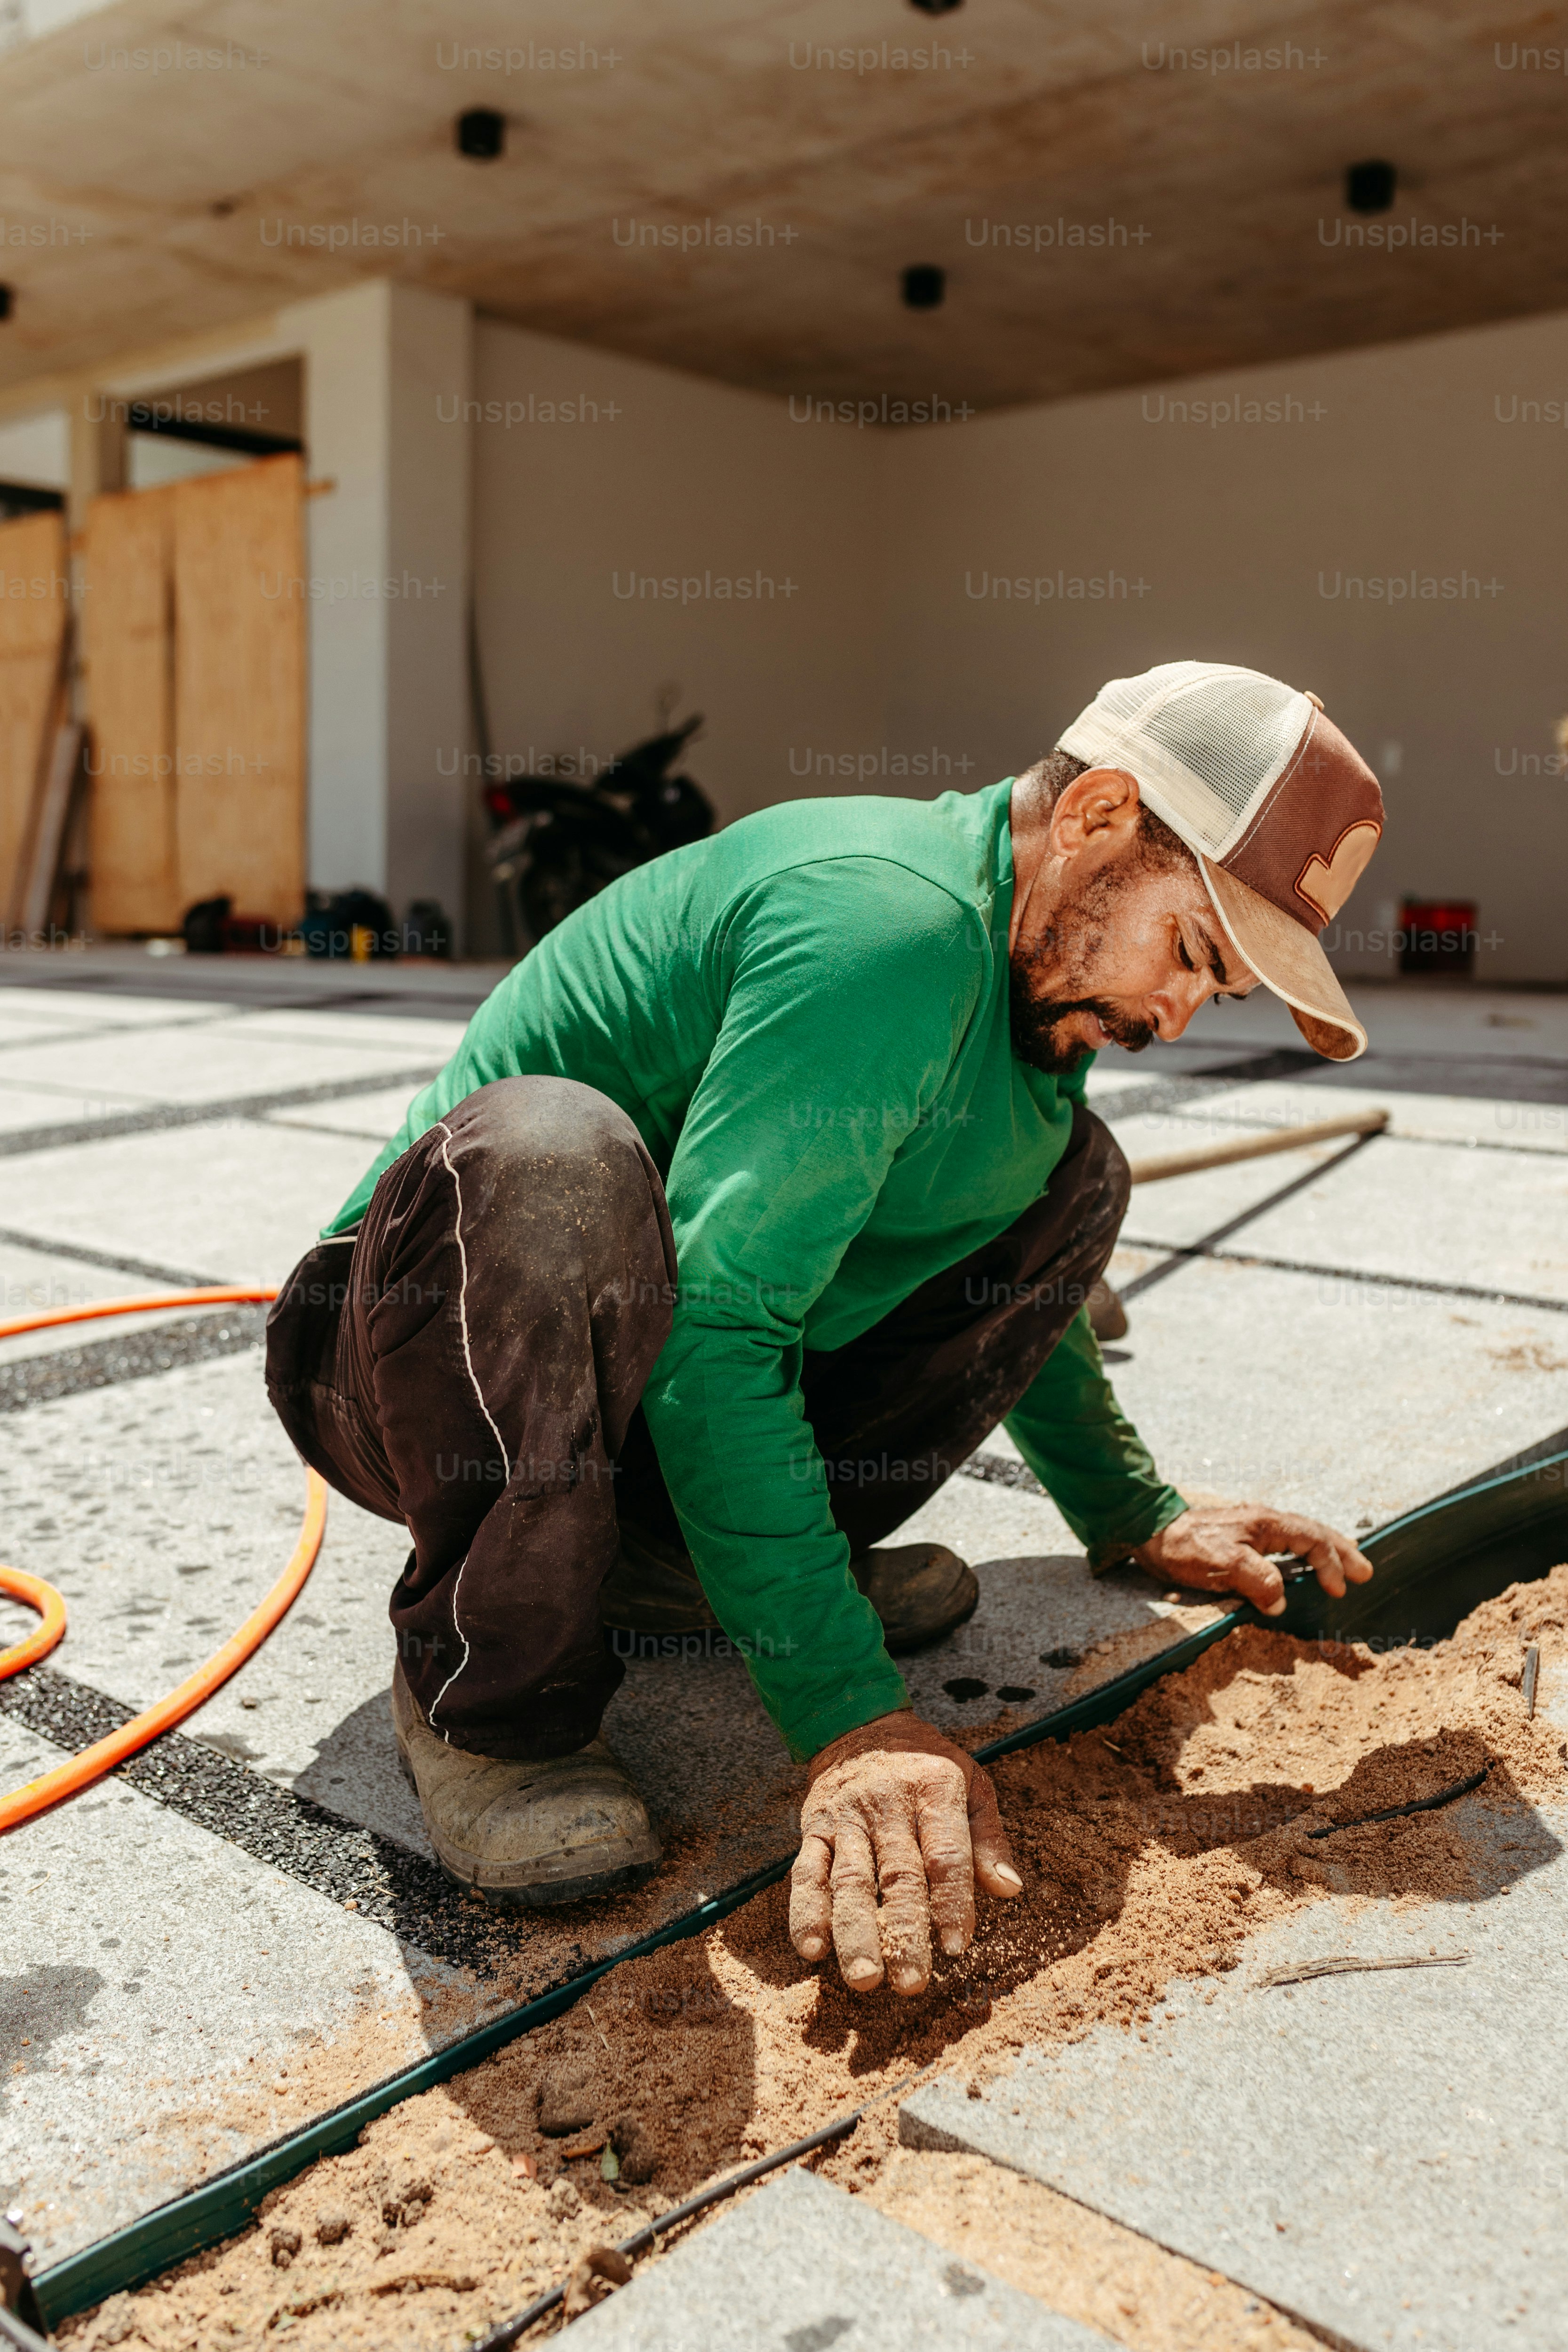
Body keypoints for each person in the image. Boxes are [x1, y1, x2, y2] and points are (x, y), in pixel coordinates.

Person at [266, 659, 1382, 1998]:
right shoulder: (886, 924)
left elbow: (994, 1295)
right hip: (412, 1366)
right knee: (558, 1154)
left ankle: (667, 1574)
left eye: (1220, 994)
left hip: (628, 1410)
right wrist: (851, 1713)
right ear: (1095, 816)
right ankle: (489, 1699)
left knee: (1077, 1180)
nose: (1173, 1016)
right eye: (1191, 951)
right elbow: (716, 1334)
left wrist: (1134, 1510)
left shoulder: (1032, 1029)